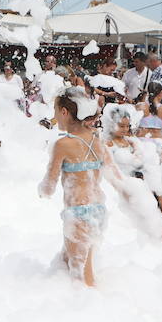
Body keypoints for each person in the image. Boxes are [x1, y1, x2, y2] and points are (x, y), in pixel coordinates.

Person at [40, 89, 111, 287]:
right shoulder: (97, 141)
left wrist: (42, 190)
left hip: (78, 215)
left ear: (64, 112)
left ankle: (93, 310)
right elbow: (115, 176)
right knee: (67, 261)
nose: (54, 116)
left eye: (54, 111)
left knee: (82, 277)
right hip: (98, 211)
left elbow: (48, 186)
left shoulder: (63, 144)